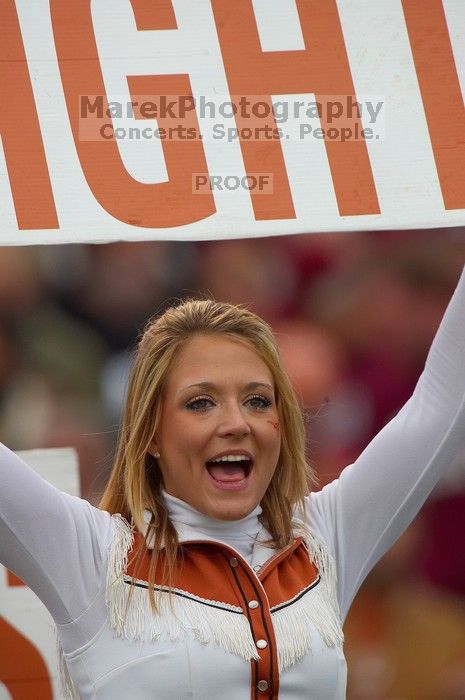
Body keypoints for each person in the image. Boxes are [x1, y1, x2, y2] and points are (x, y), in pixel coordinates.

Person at [1, 265, 465, 700]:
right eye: (201, 403)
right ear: (151, 434)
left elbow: (443, 405)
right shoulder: (91, 553)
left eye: (259, 401)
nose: (237, 423)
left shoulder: (326, 537)